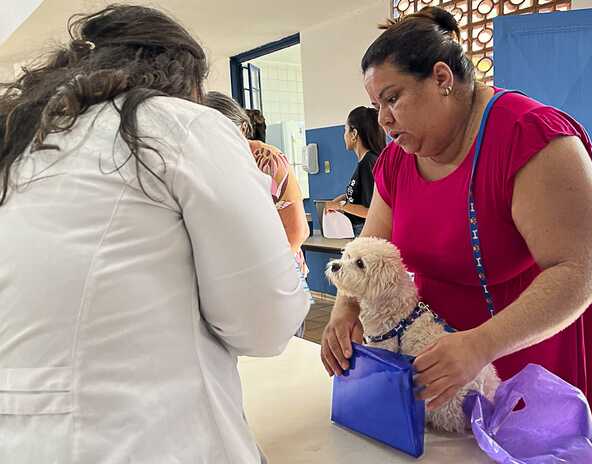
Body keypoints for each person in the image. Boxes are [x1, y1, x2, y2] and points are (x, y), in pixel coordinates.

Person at [0, 6, 309, 463]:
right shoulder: (179, 123)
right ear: (187, 80)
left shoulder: (26, 149)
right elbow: (266, 323)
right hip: (152, 436)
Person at [320, 6, 592, 438]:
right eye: (376, 105)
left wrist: (480, 344)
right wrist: (345, 308)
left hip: (520, 357)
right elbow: (368, 245)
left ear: (441, 79)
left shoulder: (529, 136)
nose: (382, 119)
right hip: (438, 371)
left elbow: (583, 269)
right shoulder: (398, 161)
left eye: (393, 98)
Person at [203, 91, 309, 276]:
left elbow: (297, 231)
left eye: (220, 133)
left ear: (242, 129)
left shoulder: (268, 161)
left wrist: (262, 274)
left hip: (277, 270)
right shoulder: (202, 164)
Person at [324, 106, 386, 236]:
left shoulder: (368, 162)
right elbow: (359, 197)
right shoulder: (365, 162)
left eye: (345, 130)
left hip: (366, 231)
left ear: (354, 134)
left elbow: (370, 210)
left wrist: (340, 205)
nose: (344, 135)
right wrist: (340, 199)